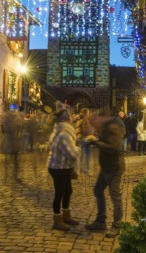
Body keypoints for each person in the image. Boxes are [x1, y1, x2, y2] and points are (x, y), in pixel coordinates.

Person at [85, 108, 126, 238]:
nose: (93, 124)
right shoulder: (106, 127)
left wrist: (96, 142)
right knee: (98, 190)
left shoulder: (113, 127)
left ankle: (117, 225)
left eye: (94, 121)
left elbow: (114, 148)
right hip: (106, 167)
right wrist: (97, 138)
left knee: (115, 196)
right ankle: (100, 221)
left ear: (101, 117)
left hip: (114, 167)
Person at [47, 101, 81, 231]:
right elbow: (72, 154)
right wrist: (78, 149)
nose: (73, 118)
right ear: (67, 119)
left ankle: (66, 216)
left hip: (61, 166)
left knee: (68, 191)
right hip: (58, 167)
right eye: (71, 116)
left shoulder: (60, 130)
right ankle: (57, 220)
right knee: (60, 193)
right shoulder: (64, 134)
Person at [1, 105, 22, 182]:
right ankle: (14, 176)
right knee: (14, 159)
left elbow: (2, 128)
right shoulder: (14, 117)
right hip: (13, 139)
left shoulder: (5, 118)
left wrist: (4, 134)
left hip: (7, 139)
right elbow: (18, 127)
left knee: (7, 159)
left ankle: (6, 176)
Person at [77, 108, 96, 175]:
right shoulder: (82, 121)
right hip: (83, 139)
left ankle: (83, 169)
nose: (89, 114)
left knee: (85, 155)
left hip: (85, 139)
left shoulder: (85, 120)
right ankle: (84, 170)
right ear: (85, 113)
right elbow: (81, 130)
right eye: (88, 113)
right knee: (84, 155)